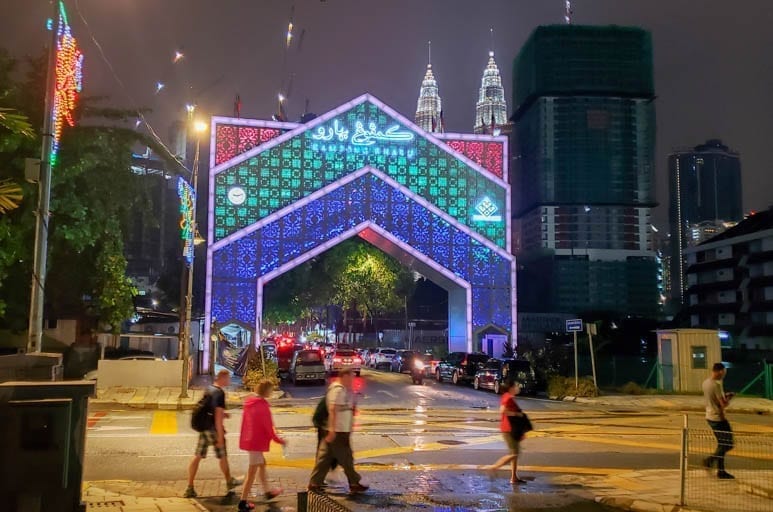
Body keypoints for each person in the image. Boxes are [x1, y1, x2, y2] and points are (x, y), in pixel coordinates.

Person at [308, 369, 369, 494]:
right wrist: (332, 430)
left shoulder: (343, 389)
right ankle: (354, 482)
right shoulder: (338, 390)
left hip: (338, 430)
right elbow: (332, 410)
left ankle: (314, 483)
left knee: (325, 458)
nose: (353, 380)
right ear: (345, 376)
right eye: (351, 377)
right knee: (346, 458)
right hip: (337, 430)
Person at [185, 369, 242, 497]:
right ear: (222, 378)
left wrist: (224, 414)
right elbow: (217, 416)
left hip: (204, 427)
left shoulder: (209, 388)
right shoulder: (220, 393)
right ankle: (229, 482)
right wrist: (220, 436)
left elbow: (210, 409)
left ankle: (189, 487)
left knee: (198, 456)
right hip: (212, 429)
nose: (229, 381)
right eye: (228, 379)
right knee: (222, 456)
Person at [237, 379, 286, 510]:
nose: (272, 391)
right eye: (271, 389)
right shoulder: (262, 405)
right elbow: (268, 428)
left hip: (250, 439)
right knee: (252, 472)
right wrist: (280, 440)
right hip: (256, 443)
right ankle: (243, 502)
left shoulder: (250, 402)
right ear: (266, 391)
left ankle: (267, 492)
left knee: (262, 465)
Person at [483, 380, 526, 484]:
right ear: (511, 387)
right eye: (515, 385)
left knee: (514, 454)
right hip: (509, 429)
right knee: (515, 454)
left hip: (510, 429)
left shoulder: (507, 396)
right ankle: (494, 467)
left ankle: (514, 477)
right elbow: (502, 410)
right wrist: (516, 414)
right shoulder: (508, 397)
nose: (517, 388)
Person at [702, 362, 735, 479]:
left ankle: (721, 471)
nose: (724, 375)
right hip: (718, 418)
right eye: (724, 372)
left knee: (722, 444)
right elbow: (722, 404)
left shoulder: (705, 383)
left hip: (709, 416)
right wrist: (729, 399)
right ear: (720, 371)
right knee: (728, 444)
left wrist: (724, 396)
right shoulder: (716, 385)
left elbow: (714, 399)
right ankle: (709, 460)